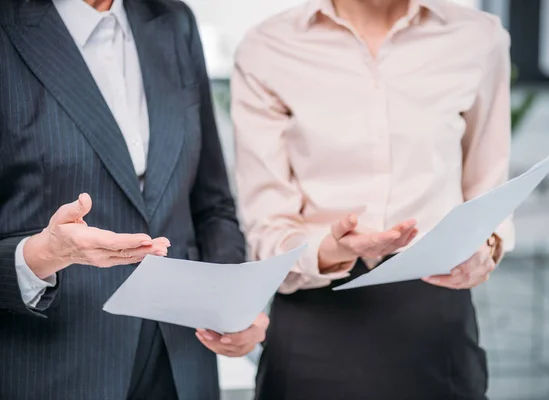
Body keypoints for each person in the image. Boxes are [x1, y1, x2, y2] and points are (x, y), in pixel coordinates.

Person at [232, 0, 515, 398]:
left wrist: (487, 247)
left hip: (437, 318)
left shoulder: (478, 38)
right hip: (314, 319)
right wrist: (330, 250)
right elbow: (266, 226)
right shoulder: (268, 48)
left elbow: (489, 189)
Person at [0, 0, 267, 399]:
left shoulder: (174, 21)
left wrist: (233, 307)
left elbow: (212, 206)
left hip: (182, 366)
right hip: (52, 367)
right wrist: (43, 255)